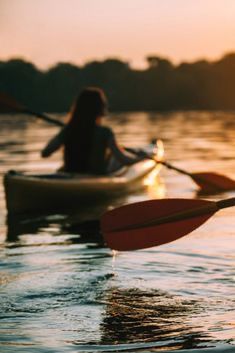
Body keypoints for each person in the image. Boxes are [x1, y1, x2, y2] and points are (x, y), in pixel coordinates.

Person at [41, 87, 147, 174]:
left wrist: (65, 131)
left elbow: (45, 153)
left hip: (69, 174)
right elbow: (124, 161)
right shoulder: (105, 132)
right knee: (115, 159)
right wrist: (142, 159)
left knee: (112, 157)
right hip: (95, 177)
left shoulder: (68, 130)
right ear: (100, 108)